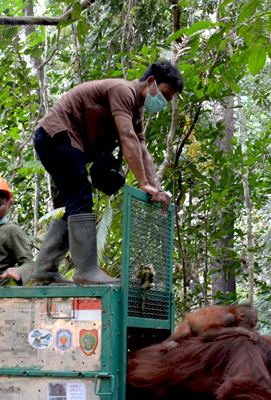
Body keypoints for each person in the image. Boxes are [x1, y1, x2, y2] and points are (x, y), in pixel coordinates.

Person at [31, 60, 184, 285]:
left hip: (64, 142)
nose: (164, 102)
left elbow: (142, 150)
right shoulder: (123, 91)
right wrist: (143, 183)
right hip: (55, 135)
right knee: (81, 197)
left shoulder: (136, 111)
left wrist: (157, 189)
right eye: (165, 95)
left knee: (77, 203)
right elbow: (128, 138)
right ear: (151, 82)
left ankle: (45, 271)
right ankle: (86, 272)